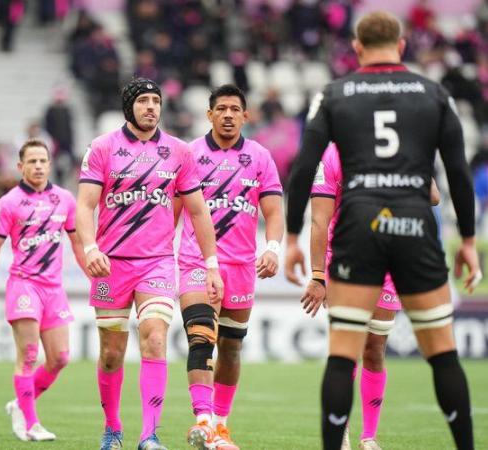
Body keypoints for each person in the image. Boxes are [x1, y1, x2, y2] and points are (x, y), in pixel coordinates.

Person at [285, 11, 481, 450]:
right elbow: (457, 173)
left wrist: (293, 240)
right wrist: (467, 240)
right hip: (413, 229)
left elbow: (301, 169)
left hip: (358, 232)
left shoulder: (334, 95)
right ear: (403, 46)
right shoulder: (433, 94)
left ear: (356, 48)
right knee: (444, 355)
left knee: (342, 355)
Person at [76, 77, 224, 450]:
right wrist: (90, 247)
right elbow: (85, 205)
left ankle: (149, 435)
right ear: (130, 107)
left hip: (157, 263)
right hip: (111, 265)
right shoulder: (102, 148)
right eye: (143, 101)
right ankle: (112, 428)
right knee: (111, 354)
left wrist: (211, 263)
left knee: (155, 339)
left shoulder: (178, 152)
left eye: (156, 101)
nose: (151, 107)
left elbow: (199, 211)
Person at [285, 144, 441, 450]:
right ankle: (339, 430)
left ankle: (368, 437)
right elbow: (319, 220)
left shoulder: (400, 146)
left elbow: (433, 196)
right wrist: (317, 275)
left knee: (374, 349)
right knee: (346, 348)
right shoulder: (332, 155)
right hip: (345, 258)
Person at [175, 84, 284, 450]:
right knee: (201, 336)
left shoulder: (259, 157)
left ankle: (221, 427)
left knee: (232, 347)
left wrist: (271, 246)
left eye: (234, 109)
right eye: (220, 109)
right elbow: (174, 211)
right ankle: (203, 423)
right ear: (209, 115)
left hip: (241, 266)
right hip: (195, 261)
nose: (227, 115)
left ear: (245, 115)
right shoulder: (189, 154)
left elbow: (273, 210)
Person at [0, 139, 86, 441]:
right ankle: (31, 422)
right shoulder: (9, 203)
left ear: (50, 164)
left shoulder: (65, 199)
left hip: (54, 288)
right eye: (32, 161)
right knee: (28, 354)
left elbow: (77, 243)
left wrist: (94, 275)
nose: (38, 166)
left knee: (60, 357)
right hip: (24, 285)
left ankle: (20, 405)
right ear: (20, 166)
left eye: (42, 160)